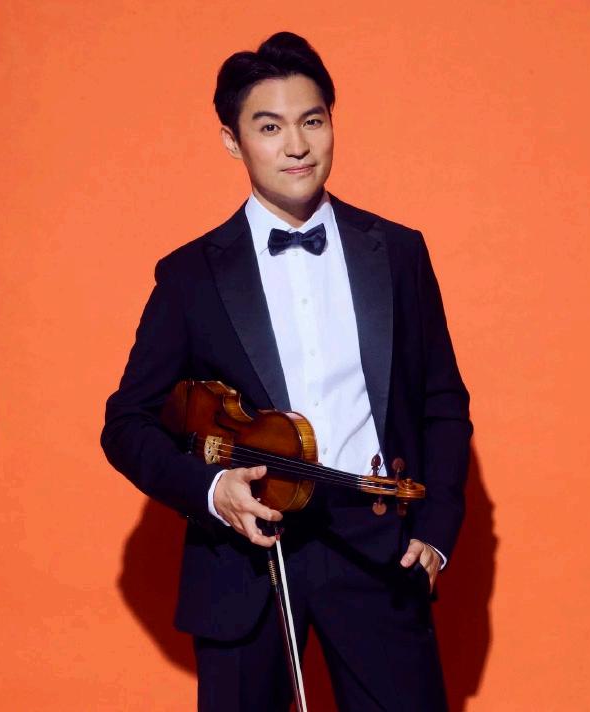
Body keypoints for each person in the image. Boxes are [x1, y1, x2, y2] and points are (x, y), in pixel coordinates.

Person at [101, 31, 471, 711]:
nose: (296, 145)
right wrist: (213, 491)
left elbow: (441, 400)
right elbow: (126, 423)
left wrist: (437, 531)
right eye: (269, 127)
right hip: (246, 556)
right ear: (232, 140)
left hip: (378, 544)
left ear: (331, 122)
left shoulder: (397, 252)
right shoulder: (189, 276)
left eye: (312, 121)